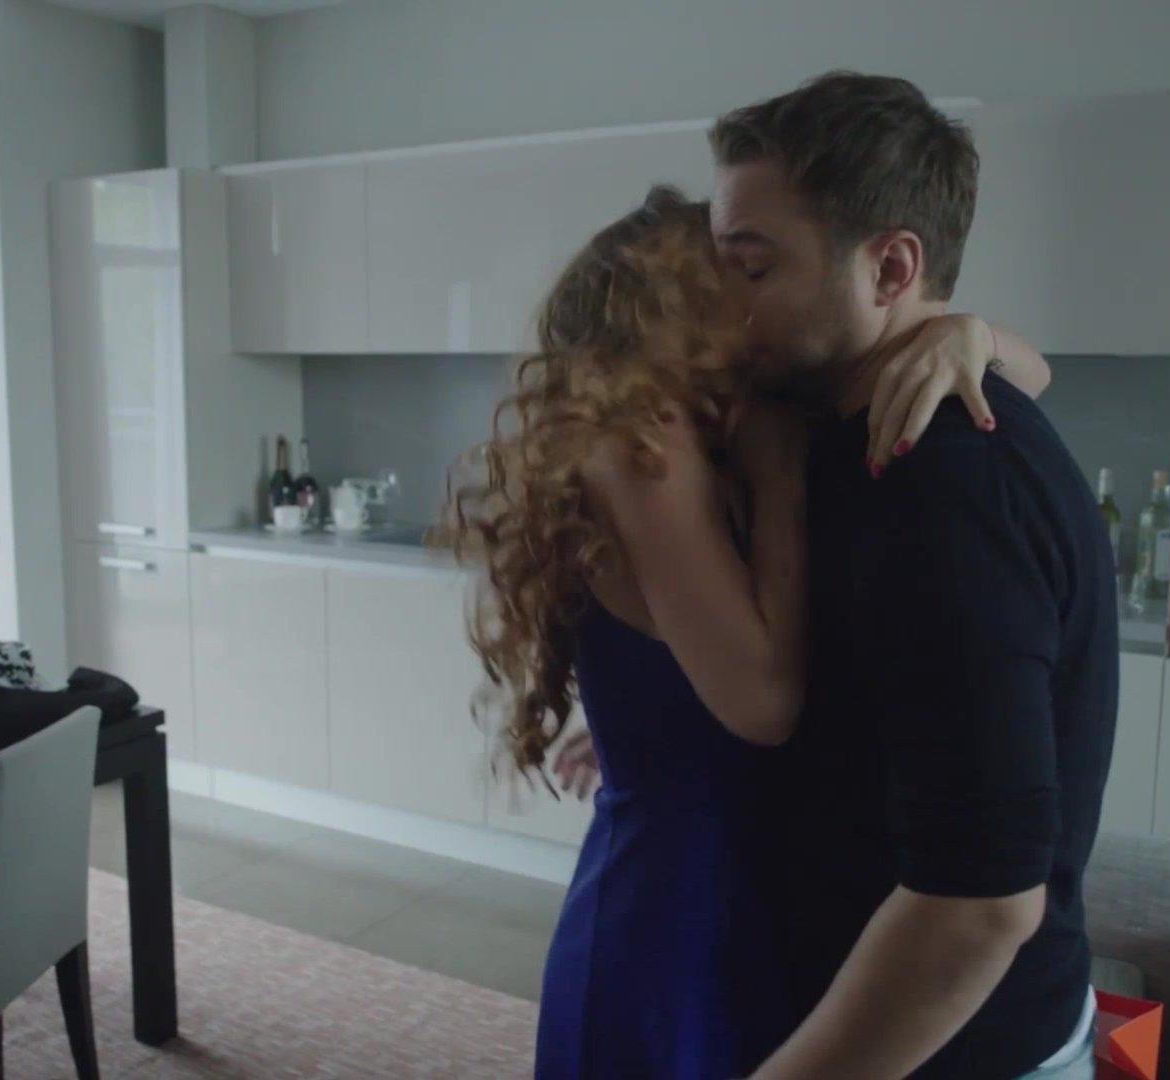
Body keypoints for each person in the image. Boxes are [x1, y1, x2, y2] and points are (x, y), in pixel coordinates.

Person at [449, 184, 1054, 1076]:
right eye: (739, 275)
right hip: (680, 916)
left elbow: (1031, 375)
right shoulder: (643, 441)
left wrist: (962, 336)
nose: (764, 301)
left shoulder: (717, 430)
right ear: (682, 307)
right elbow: (764, 705)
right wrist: (779, 478)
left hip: (749, 897)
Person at [706, 73, 1119, 1080]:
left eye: (751, 268)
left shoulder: (947, 486)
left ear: (890, 267)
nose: (720, 305)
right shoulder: (842, 429)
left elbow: (979, 907)